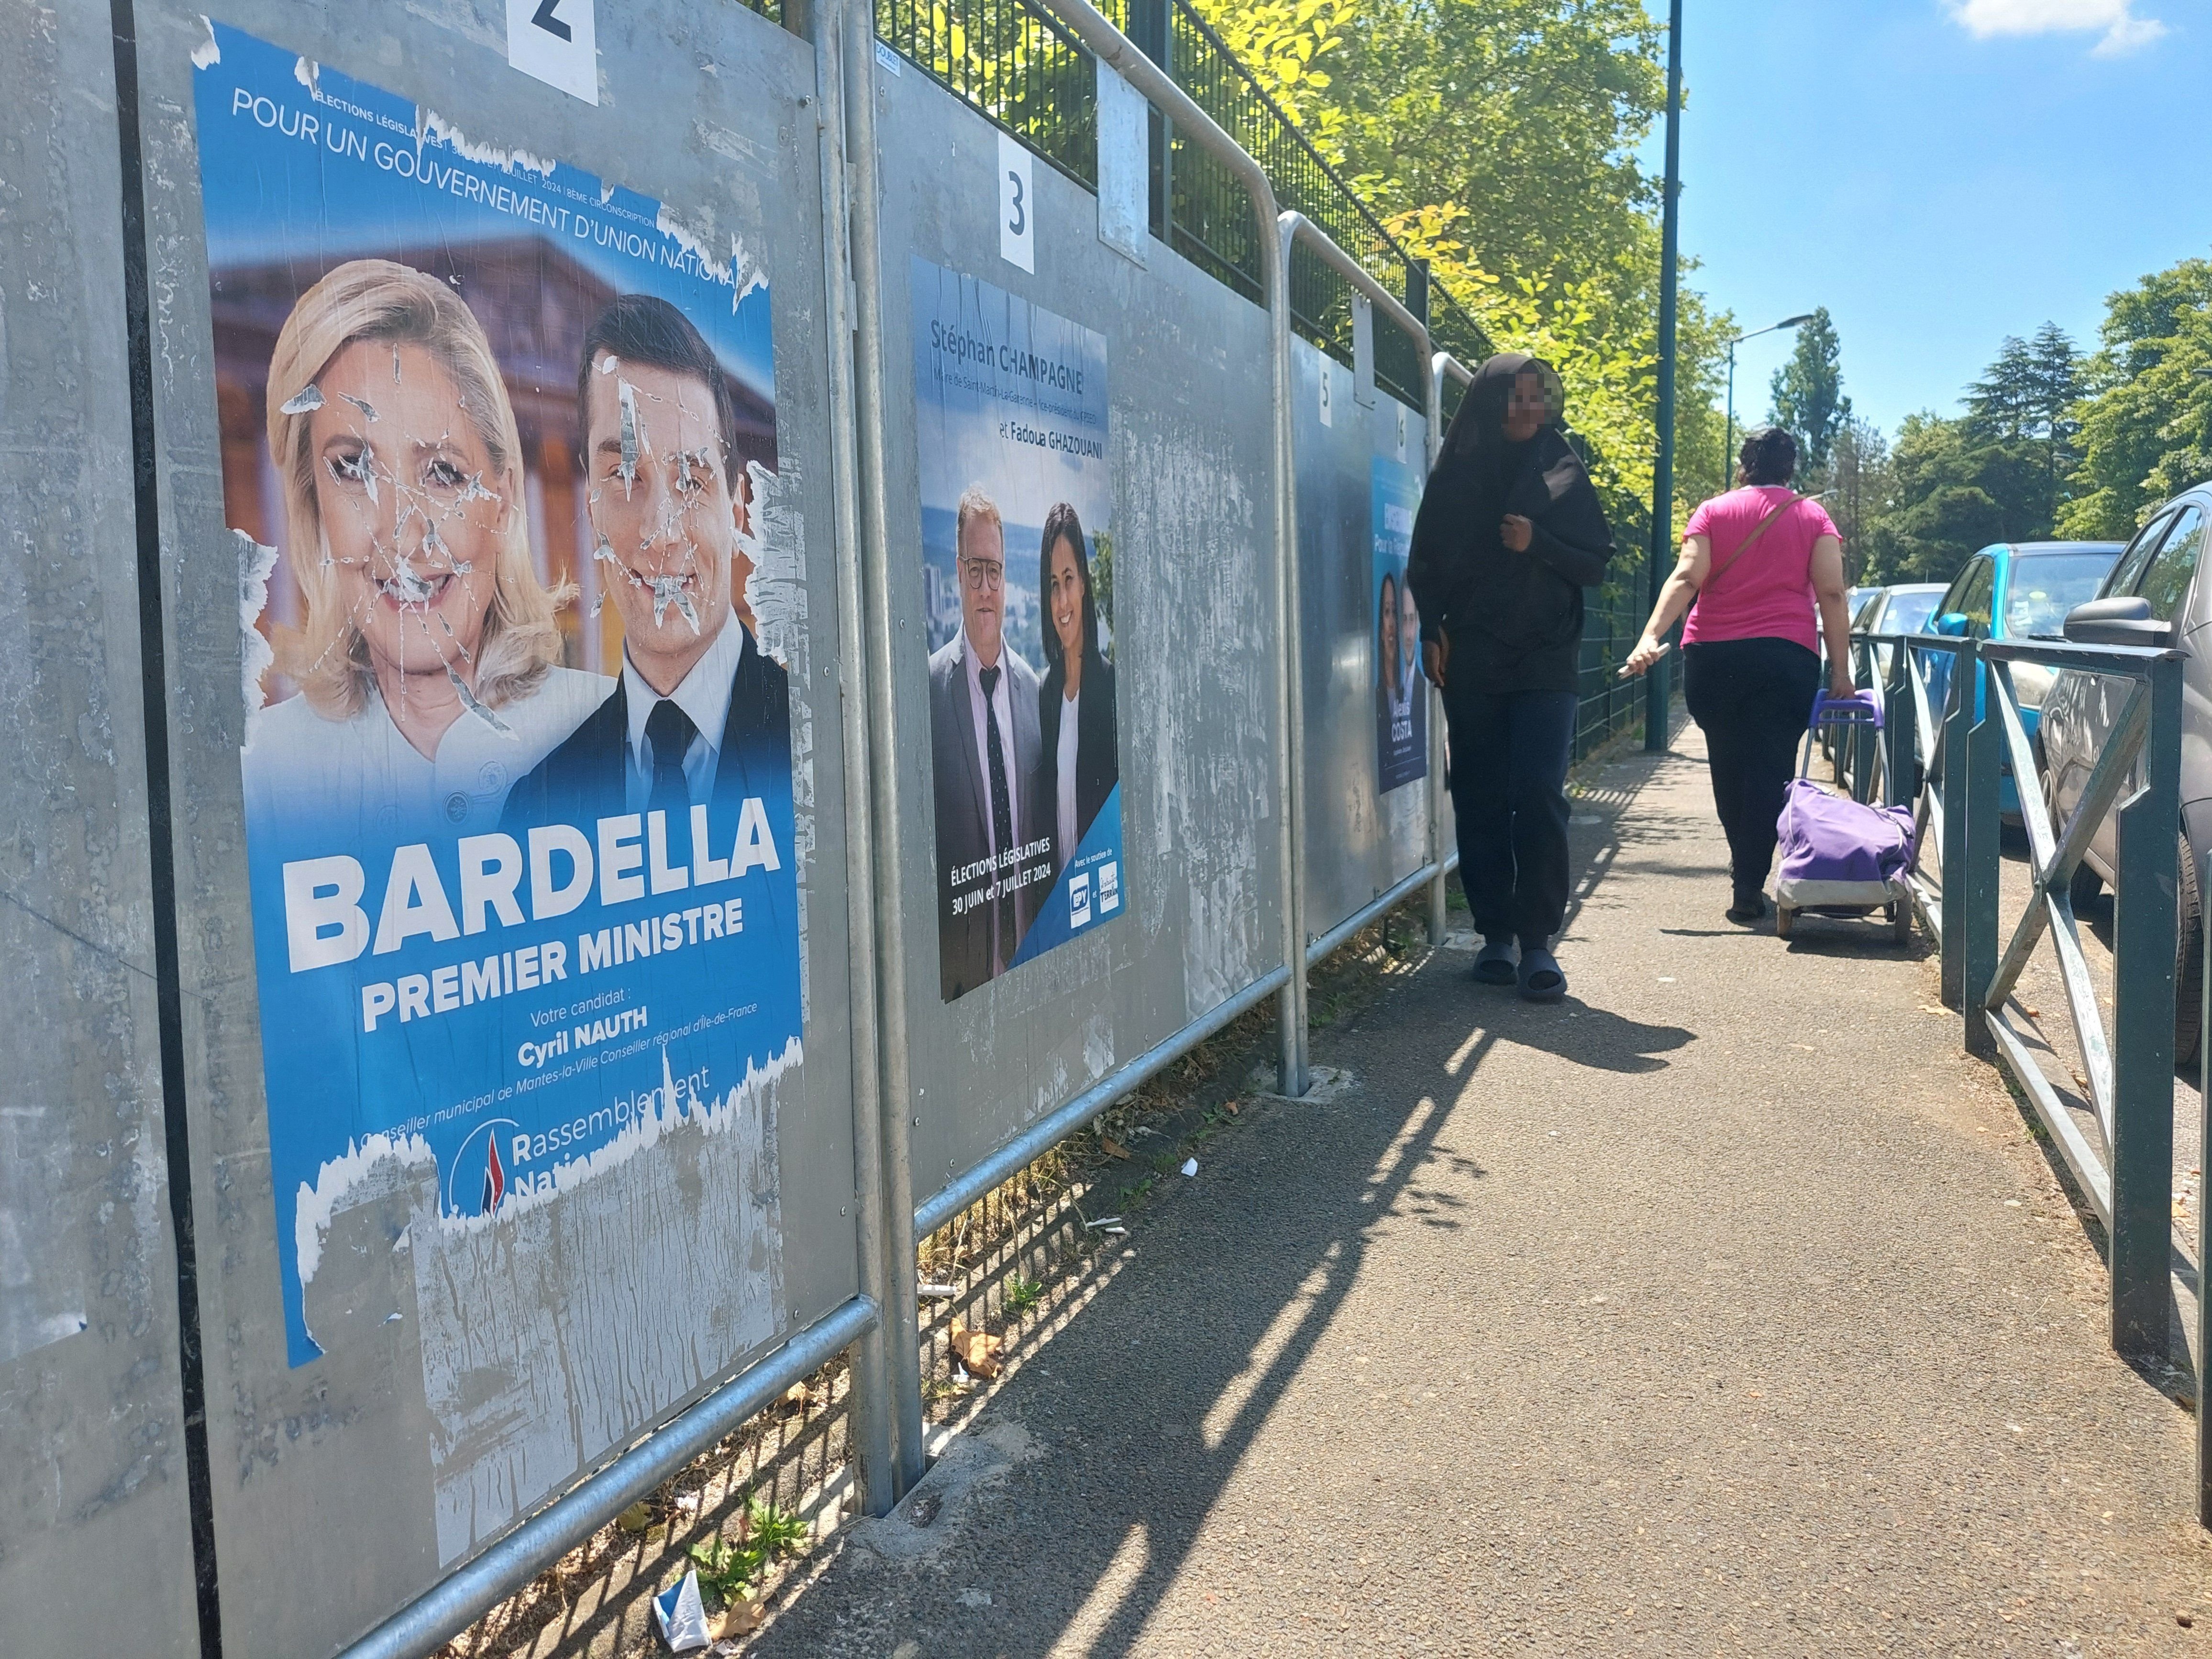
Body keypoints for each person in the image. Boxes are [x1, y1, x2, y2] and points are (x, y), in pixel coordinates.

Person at [243, 258, 608, 843]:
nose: (401, 532)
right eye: (353, 468)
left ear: (504, 501)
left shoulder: (620, 735)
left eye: (443, 472)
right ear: (316, 510)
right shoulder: (261, 779)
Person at [501, 295, 790, 858]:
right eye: (623, 473)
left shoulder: (830, 748)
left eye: (691, 481)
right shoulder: (534, 808)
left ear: (736, 511)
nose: (659, 531)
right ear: (590, 509)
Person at [1406, 353, 1614, 1001]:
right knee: (1479, 793)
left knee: (1540, 791)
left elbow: (1597, 563)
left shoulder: (1561, 467)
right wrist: (1431, 630)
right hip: (1471, 656)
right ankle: (1494, 932)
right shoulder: (1458, 473)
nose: (1529, 411)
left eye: (1537, 399)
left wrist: (1539, 543)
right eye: (1516, 399)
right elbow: (1426, 560)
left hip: (1546, 658)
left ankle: (1537, 942)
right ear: (1491, 405)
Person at [1621, 426, 1854, 923]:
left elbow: (1687, 577)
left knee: (1727, 763)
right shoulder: (1813, 517)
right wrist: (1841, 670)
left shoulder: (1713, 511)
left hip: (1714, 656)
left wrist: (1649, 636)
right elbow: (1832, 594)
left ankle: (1743, 871)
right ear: (1791, 466)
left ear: (1743, 463)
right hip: (1784, 657)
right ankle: (1749, 880)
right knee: (1771, 768)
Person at [929, 485, 1047, 999]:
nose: (984, 588)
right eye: (974, 570)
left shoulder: (1033, 690)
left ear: (1006, 578)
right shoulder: (930, 689)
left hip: (1031, 960)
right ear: (957, 573)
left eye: (994, 572)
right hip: (962, 982)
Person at [1034, 502, 1118, 879]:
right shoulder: (1046, 695)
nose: (1062, 601)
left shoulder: (1110, 688)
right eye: (1054, 585)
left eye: (1069, 579)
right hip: (1058, 910)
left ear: (1084, 582)